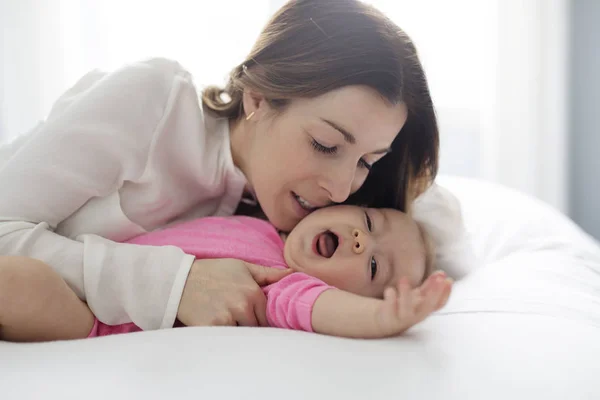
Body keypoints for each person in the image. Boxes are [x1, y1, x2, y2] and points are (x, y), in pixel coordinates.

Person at [0, 0, 464, 332]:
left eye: (368, 160)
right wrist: (175, 283)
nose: (343, 189)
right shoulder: (154, 103)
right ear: (257, 98)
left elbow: (435, 219)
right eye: (325, 145)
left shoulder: (305, 231)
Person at [0, 205, 452, 342]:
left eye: (373, 266)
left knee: (21, 282)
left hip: (94, 321)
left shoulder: (279, 284)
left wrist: (384, 320)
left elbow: (325, 309)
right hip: (92, 274)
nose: (360, 240)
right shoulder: (255, 221)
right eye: (370, 222)